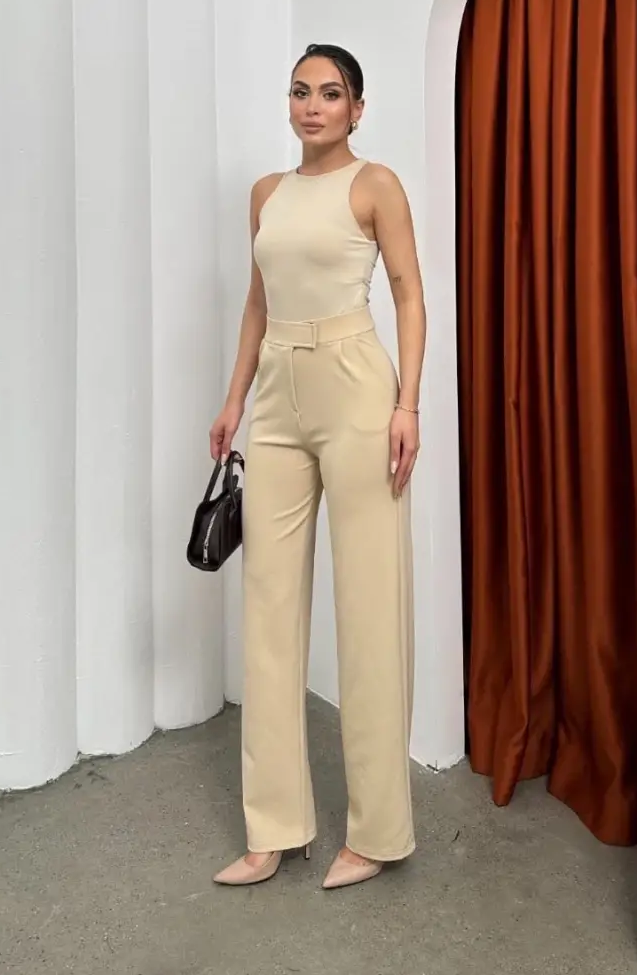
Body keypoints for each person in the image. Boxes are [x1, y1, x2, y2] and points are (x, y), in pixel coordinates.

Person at [209, 44, 425, 892]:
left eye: (330, 93)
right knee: (268, 605)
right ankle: (274, 826)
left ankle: (376, 831)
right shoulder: (267, 193)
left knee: (369, 605)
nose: (312, 105)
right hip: (277, 396)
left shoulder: (375, 185)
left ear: (357, 108)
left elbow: (408, 293)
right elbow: (257, 303)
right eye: (300, 91)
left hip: (356, 385)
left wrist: (408, 404)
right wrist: (233, 400)